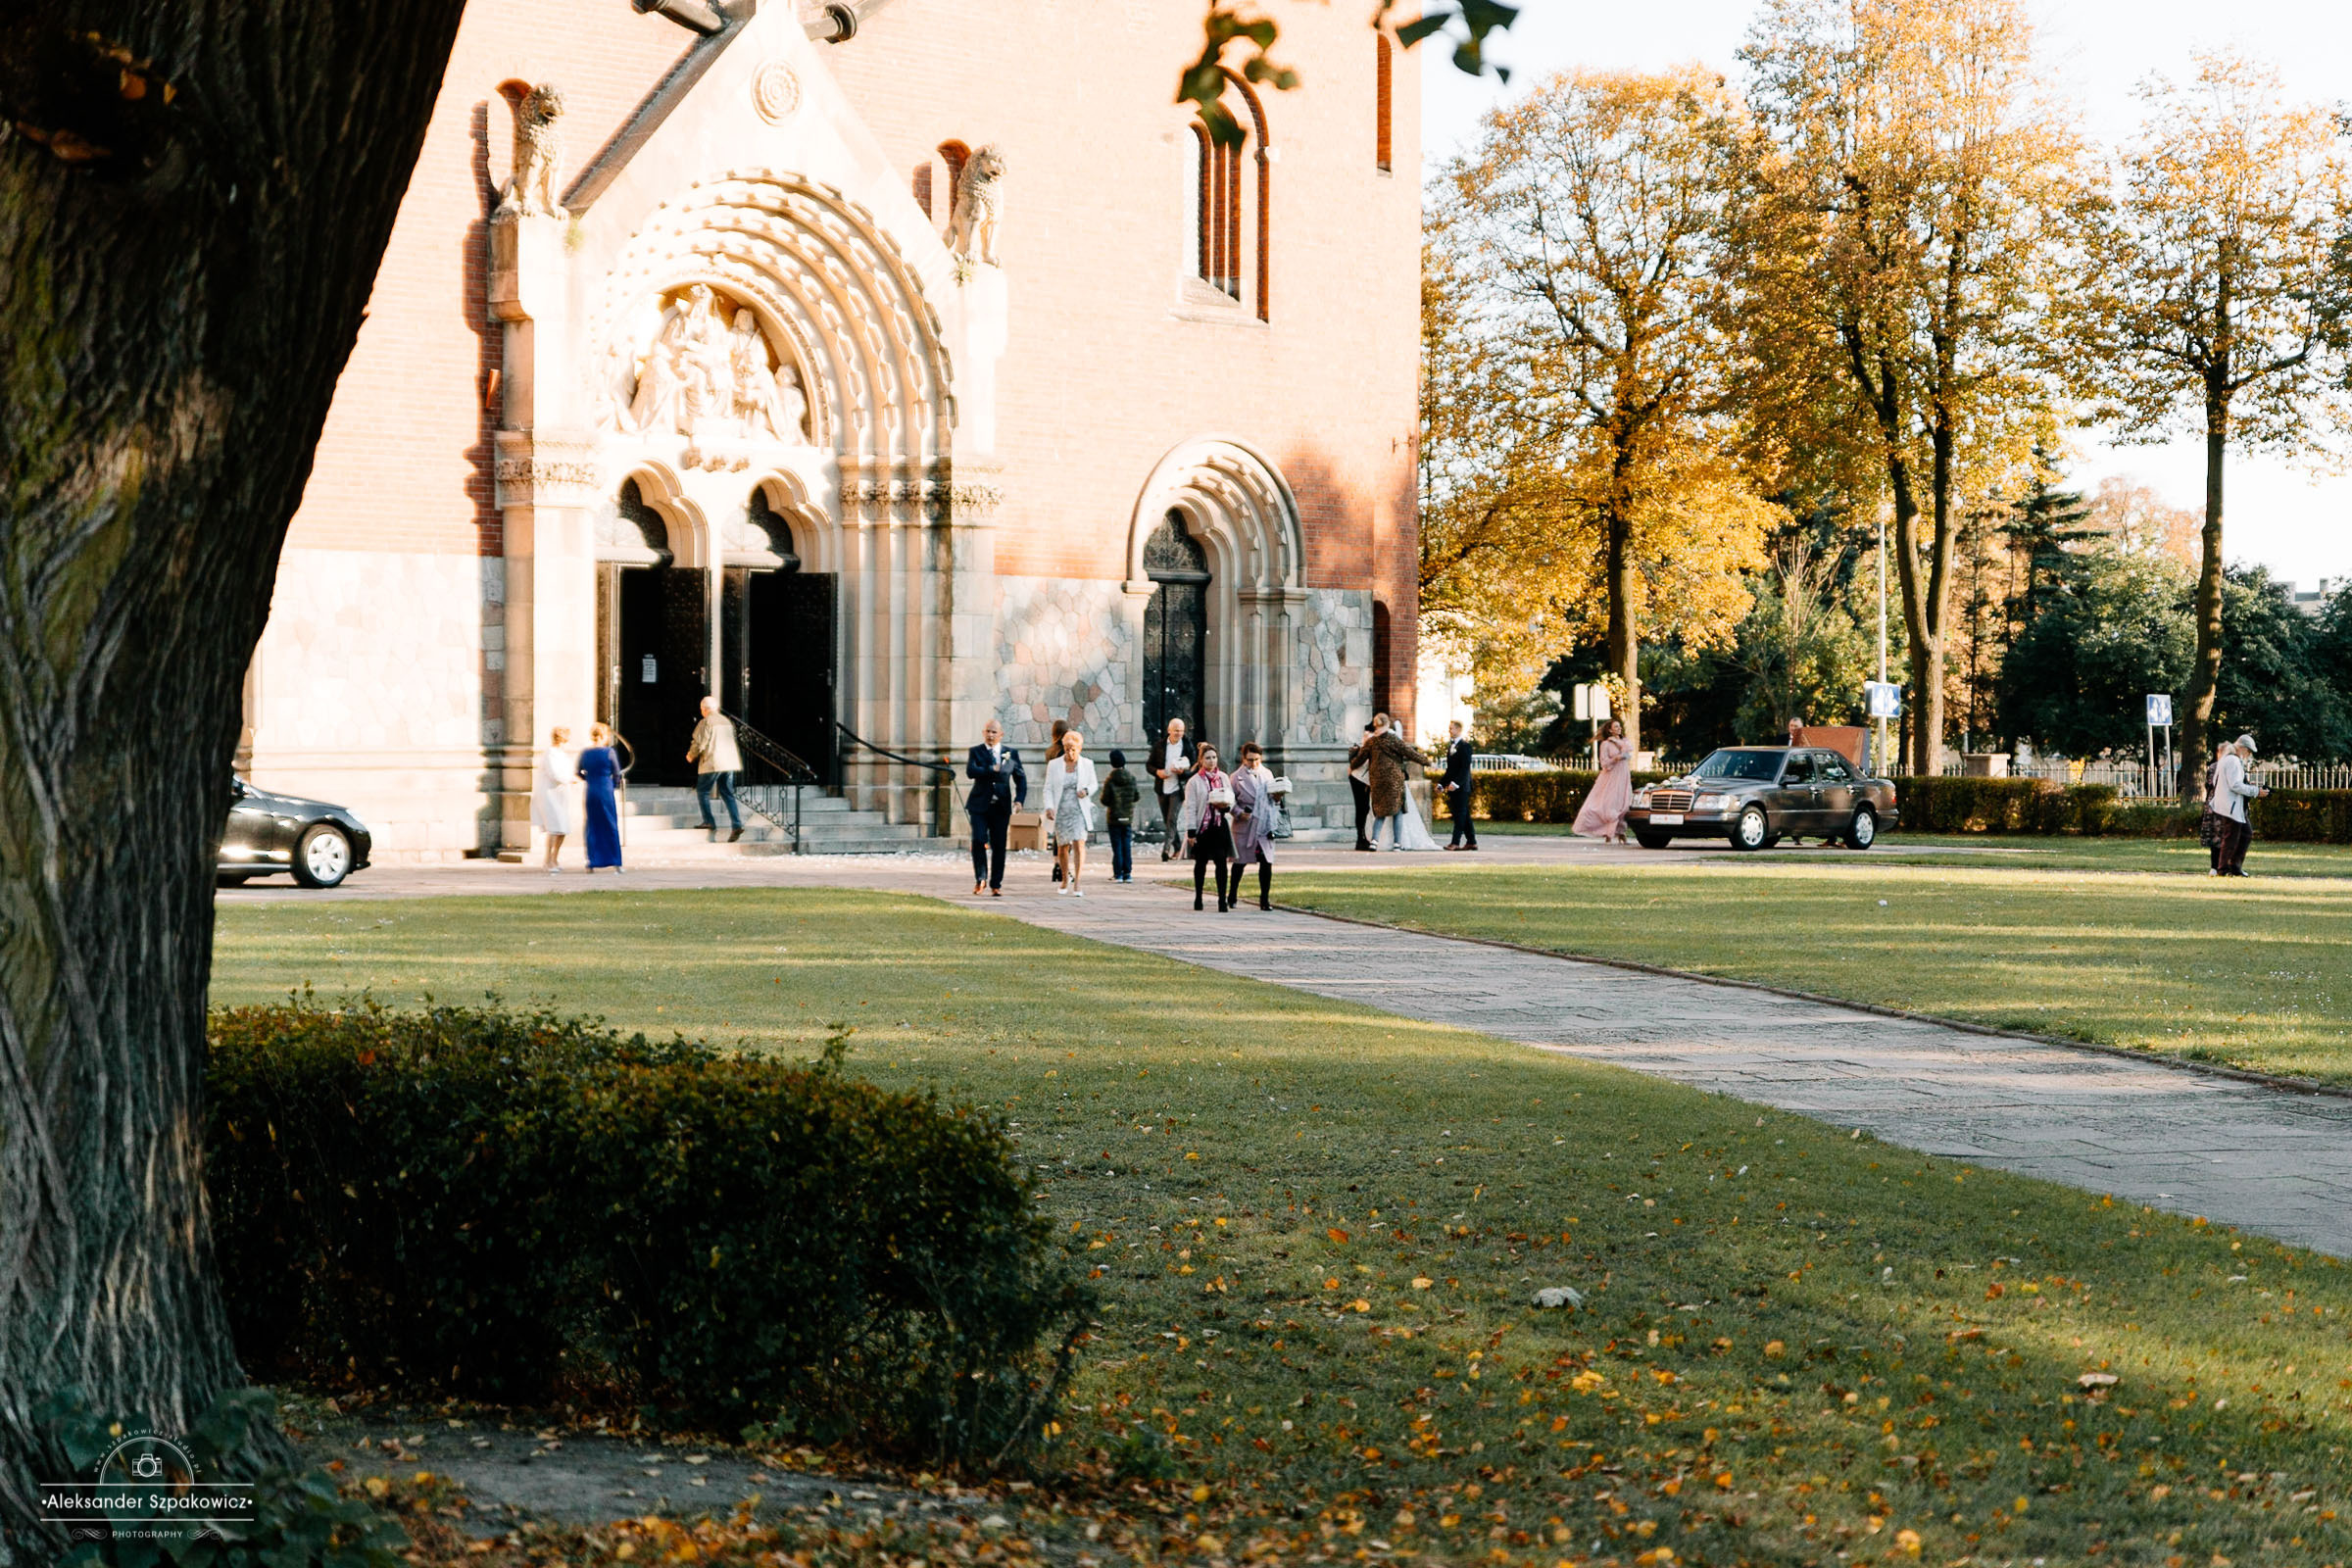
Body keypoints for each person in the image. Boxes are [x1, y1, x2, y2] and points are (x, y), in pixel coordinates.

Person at [965, 718, 1026, 896]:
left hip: (1001, 806)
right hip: (979, 805)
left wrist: (1019, 799)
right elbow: (971, 771)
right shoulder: (976, 751)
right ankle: (980, 878)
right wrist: (992, 768)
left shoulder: (1010, 753)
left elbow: (1020, 778)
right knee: (978, 839)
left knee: (999, 845)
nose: (991, 735)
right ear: (983, 733)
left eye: (994, 732)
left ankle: (996, 884)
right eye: (988, 731)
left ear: (1001, 734)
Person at [1042, 728, 1099, 898]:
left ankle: (1078, 881)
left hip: (1078, 809)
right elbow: (1048, 788)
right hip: (1061, 810)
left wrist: (1087, 791)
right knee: (1062, 846)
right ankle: (1065, 879)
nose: (1070, 753)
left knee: (1079, 843)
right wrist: (1049, 807)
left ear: (1079, 749)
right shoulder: (1054, 765)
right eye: (1067, 749)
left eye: (1073, 749)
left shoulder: (1087, 764)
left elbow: (1094, 784)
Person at [1360, 714, 1430, 851]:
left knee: (1380, 812)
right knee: (1397, 811)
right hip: (1394, 779)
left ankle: (1374, 841)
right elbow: (1410, 753)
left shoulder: (1371, 742)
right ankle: (1397, 843)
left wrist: (1351, 767)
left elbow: (1361, 757)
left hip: (1377, 780)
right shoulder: (1394, 740)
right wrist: (1427, 761)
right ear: (1388, 724)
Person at [1182, 743, 1236, 910]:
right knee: (1201, 863)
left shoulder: (1223, 778)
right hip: (1203, 828)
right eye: (1208, 758)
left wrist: (1226, 807)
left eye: (1214, 757)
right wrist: (1191, 831)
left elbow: (1231, 798)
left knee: (1221, 863)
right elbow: (1190, 806)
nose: (1211, 761)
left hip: (1219, 825)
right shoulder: (1194, 782)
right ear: (1201, 760)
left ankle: (1222, 900)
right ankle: (1198, 897)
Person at [2210, 732, 2269, 877]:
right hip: (2231, 806)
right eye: (2248, 751)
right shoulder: (2233, 761)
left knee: (2245, 834)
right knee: (2231, 838)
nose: (2248, 754)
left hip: (2230, 805)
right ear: (2242, 748)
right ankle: (2223, 868)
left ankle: (2234, 866)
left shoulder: (2226, 759)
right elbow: (2235, 785)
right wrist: (2255, 791)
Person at [1230, 742, 1279, 910]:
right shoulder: (1236, 777)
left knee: (1266, 862)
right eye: (1250, 760)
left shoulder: (1267, 773)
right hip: (1246, 823)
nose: (1254, 763)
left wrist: (1278, 797)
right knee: (1240, 862)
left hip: (1265, 823)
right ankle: (1232, 894)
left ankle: (1264, 899)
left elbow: (1274, 798)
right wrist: (1238, 812)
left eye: (1257, 759)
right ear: (1244, 759)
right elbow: (1230, 800)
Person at [688, 695, 745, 842]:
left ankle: (709, 821)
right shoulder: (726, 721)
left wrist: (690, 755)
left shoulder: (706, 722)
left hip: (713, 762)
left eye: (701, 709)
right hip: (729, 763)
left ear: (704, 709)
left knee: (702, 791)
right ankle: (737, 824)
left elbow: (700, 743)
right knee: (727, 793)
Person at [1573, 717, 1635, 843]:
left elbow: (1628, 753)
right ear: (1610, 730)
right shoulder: (1606, 744)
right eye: (1616, 727)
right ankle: (1608, 832)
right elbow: (1604, 763)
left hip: (1623, 775)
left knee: (1624, 804)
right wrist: (1616, 758)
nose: (1619, 729)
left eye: (1619, 726)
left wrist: (1621, 748)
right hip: (1611, 776)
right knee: (1610, 804)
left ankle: (1621, 832)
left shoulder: (1625, 742)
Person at [576, 721, 624, 873]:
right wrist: (613, 784)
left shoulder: (585, 753)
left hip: (591, 790)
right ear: (604, 736)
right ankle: (615, 861)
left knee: (592, 825)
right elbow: (617, 773)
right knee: (610, 824)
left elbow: (578, 772)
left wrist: (589, 779)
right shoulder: (609, 752)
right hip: (605, 789)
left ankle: (592, 861)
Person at [1152, 717, 1198, 860]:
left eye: (1182, 731)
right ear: (1169, 730)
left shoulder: (1187, 746)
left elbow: (1194, 769)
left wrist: (1183, 773)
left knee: (1172, 818)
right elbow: (1149, 765)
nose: (1179, 733)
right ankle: (1177, 847)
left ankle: (1165, 850)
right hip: (1162, 787)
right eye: (1176, 730)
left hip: (1178, 788)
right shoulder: (1159, 746)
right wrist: (1158, 772)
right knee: (1168, 820)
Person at [532, 725, 576, 873]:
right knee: (554, 827)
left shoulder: (562, 754)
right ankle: (548, 860)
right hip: (550, 795)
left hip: (561, 795)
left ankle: (555, 857)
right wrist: (569, 779)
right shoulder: (550, 753)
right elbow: (554, 773)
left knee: (562, 828)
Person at [1102, 748, 1141, 883]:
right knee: (1126, 845)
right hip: (1127, 817)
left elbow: (1104, 800)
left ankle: (1118, 873)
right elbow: (1136, 796)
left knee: (1116, 846)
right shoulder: (1132, 778)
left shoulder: (1110, 780)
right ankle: (1127, 873)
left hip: (1114, 817)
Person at [1441, 718, 1478, 851]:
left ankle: (1455, 842)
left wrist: (1456, 784)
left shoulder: (1465, 746)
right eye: (1449, 728)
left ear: (1458, 730)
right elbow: (1450, 770)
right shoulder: (1451, 747)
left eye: (1452, 728)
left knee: (1459, 815)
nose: (1449, 731)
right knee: (1464, 814)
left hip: (1462, 787)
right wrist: (1441, 784)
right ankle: (1472, 841)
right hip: (1453, 786)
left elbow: (1464, 768)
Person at [1348, 721, 1376, 852]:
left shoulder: (1372, 739)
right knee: (1362, 807)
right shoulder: (1369, 738)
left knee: (1364, 808)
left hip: (1363, 778)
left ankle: (1362, 837)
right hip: (1359, 778)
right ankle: (1361, 838)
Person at [1049, 718, 1069, 883]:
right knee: (1066, 834)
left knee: (1058, 832)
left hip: (1053, 793)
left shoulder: (1049, 750)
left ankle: (1056, 863)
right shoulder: (1063, 751)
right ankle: (1064, 867)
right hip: (1063, 793)